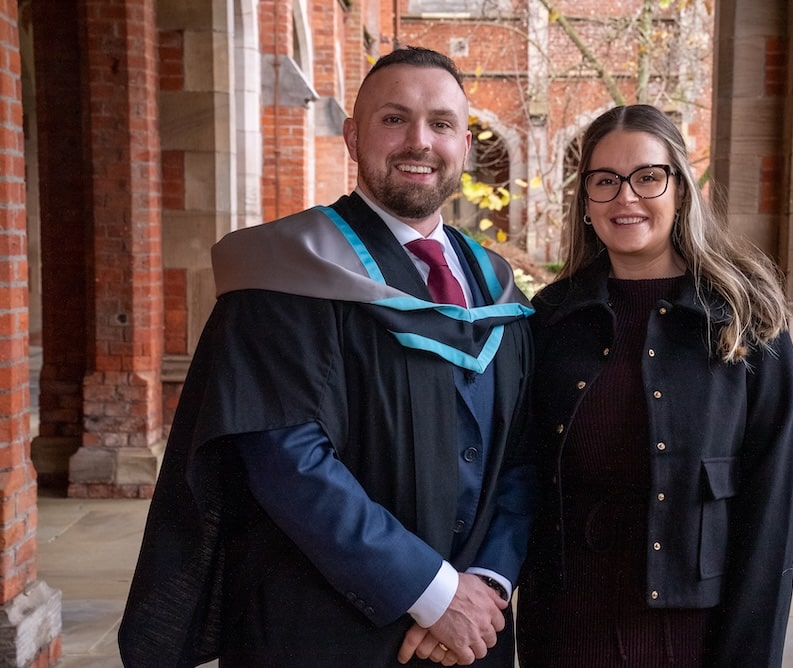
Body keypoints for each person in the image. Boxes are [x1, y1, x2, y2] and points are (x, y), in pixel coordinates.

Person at [118, 46, 536, 668]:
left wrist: (487, 583)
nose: (419, 142)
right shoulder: (288, 272)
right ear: (353, 136)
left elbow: (523, 453)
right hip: (320, 631)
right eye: (394, 119)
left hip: (472, 638)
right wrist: (434, 594)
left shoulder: (495, 285)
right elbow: (287, 458)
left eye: (441, 123)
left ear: (465, 146)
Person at [515, 104, 793, 667]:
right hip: (568, 627)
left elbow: (771, 514)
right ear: (585, 202)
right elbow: (522, 479)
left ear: (681, 190)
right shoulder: (550, 319)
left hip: (691, 636)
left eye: (648, 177)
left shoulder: (746, 320)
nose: (625, 197)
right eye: (605, 181)